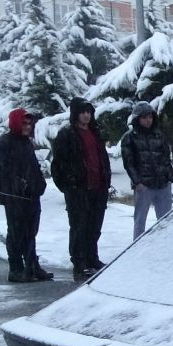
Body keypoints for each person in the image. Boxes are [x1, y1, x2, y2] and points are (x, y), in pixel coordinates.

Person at [0, 108, 52, 283]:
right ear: (15, 123)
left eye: (29, 123)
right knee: (16, 233)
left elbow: (31, 167)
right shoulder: (5, 143)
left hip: (30, 195)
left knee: (30, 232)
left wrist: (38, 184)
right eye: (24, 123)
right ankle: (16, 269)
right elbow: (1, 170)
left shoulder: (25, 142)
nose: (27, 127)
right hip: (15, 196)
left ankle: (32, 266)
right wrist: (18, 184)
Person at [51, 98, 111, 280]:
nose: (86, 115)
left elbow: (101, 158)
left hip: (98, 186)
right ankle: (79, 261)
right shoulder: (67, 135)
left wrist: (105, 180)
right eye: (82, 112)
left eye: (89, 112)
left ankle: (92, 257)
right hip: (78, 188)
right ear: (75, 114)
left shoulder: (95, 132)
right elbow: (58, 164)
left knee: (95, 225)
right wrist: (68, 184)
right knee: (79, 226)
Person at [120, 101, 173, 240]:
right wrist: (137, 182)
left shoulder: (158, 135)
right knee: (140, 220)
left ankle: (164, 244)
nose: (148, 120)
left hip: (163, 183)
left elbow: (166, 157)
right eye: (144, 117)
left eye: (150, 116)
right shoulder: (129, 137)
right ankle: (137, 246)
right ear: (137, 118)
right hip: (144, 185)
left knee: (165, 220)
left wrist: (169, 176)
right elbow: (129, 162)